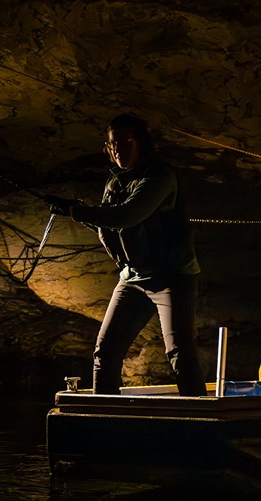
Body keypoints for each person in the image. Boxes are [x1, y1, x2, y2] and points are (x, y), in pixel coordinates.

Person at [44, 114, 205, 396]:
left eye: (125, 142)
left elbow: (128, 215)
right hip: (133, 277)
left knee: (179, 350)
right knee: (105, 351)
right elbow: (107, 220)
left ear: (141, 143)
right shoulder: (114, 182)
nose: (118, 149)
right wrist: (75, 209)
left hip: (172, 275)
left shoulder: (159, 176)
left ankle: (201, 417)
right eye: (112, 144)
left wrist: (75, 211)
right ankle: (103, 415)